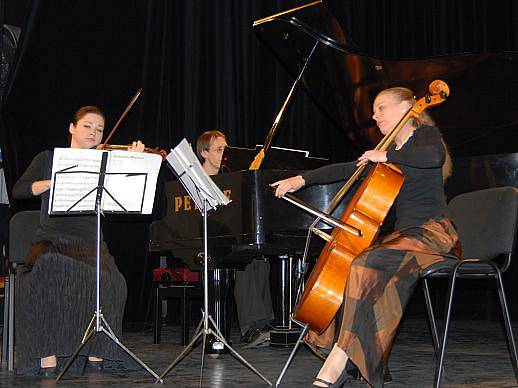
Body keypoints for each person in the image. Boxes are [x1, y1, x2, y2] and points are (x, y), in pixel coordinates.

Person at [271, 87, 458, 387]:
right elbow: (347, 169)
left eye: (381, 108)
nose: (374, 115)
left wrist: (385, 154)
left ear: (407, 108)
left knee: (365, 262)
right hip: (403, 238)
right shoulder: (387, 150)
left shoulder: (424, 138)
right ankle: (357, 359)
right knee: (357, 267)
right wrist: (301, 180)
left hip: (433, 233)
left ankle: (337, 362)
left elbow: (434, 157)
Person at [12, 106, 145, 376]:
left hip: (91, 243)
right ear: (72, 128)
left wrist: (135, 162)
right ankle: (46, 354)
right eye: (87, 125)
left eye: (99, 129)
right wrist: (50, 183)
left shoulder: (106, 163)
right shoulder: (49, 158)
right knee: (50, 267)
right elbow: (19, 189)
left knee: (114, 282)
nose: (94, 132)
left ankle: (99, 353)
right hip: (52, 240)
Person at [196, 130, 274, 344]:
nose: (224, 154)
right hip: (205, 242)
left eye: (226, 149)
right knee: (245, 262)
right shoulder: (198, 181)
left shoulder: (229, 178)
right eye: (219, 150)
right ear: (204, 152)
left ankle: (265, 322)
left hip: (230, 239)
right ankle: (251, 327)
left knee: (260, 257)